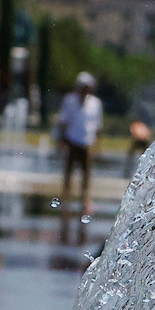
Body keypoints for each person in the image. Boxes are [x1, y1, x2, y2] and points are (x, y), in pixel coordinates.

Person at [57, 71, 103, 225]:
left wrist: (98, 145)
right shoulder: (70, 101)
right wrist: (61, 141)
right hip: (72, 140)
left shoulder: (95, 103)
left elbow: (97, 126)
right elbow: (63, 121)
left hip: (86, 142)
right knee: (68, 173)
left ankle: (85, 201)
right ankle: (66, 200)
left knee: (86, 175)